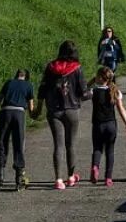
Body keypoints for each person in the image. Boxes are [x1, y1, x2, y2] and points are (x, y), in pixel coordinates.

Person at [35, 40, 91, 190]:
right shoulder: (77, 68)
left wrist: (39, 107)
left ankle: (58, 179)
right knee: (71, 144)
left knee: (58, 145)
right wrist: (91, 93)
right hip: (72, 109)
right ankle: (71, 177)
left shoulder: (50, 67)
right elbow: (83, 93)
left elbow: (42, 88)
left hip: (54, 111)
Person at [0, 69, 35, 190]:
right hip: (19, 113)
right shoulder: (29, 85)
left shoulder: (8, 83)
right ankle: (19, 178)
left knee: (3, 143)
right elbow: (31, 108)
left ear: (16, 76)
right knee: (18, 143)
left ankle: (0, 174)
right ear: (26, 77)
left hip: (5, 112)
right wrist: (35, 114)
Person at [89, 67, 126, 187]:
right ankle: (108, 178)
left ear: (99, 78)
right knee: (110, 151)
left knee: (97, 148)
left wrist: (91, 82)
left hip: (98, 124)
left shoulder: (93, 91)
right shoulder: (115, 91)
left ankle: (95, 166)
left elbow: (82, 93)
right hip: (111, 125)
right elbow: (121, 109)